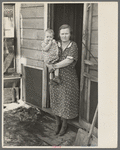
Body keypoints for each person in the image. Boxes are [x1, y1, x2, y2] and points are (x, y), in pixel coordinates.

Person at [47, 24, 80, 136]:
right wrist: (48, 64)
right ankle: (57, 123)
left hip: (68, 78)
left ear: (70, 34)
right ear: (59, 34)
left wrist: (54, 66)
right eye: (62, 34)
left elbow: (68, 61)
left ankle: (64, 124)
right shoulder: (55, 44)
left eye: (66, 33)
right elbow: (47, 54)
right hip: (55, 77)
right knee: (55, 98)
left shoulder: (73, 45)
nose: (64, 36)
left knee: (66, 101)